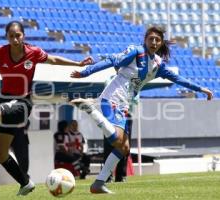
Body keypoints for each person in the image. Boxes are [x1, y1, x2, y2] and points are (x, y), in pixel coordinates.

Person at [0, 21, 93, 196]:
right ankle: (25, 183)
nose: (15, 39)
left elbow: (53, 59)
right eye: (11, 36)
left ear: (23, 35)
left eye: (18, 35)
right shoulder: (1, 52)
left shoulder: (33, 52)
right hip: (4, 102)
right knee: (1, 153)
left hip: (21, 104)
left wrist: (77, 64)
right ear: (7, 37)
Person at [70, 26, 213, 194]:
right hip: (112, 97)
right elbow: (111, 60)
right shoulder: (136, 51)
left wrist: (200, 88)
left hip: (124, 104)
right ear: (145, 39)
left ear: (160, 43)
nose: (153, 42)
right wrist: (86, 72)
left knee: (123, 148)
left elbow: (178, 79)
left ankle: (98, 183)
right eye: (151, 39)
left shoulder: (158, 64)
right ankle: (91, 109)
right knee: (117, 141)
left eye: (157, 40)